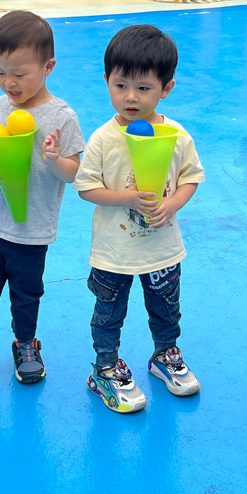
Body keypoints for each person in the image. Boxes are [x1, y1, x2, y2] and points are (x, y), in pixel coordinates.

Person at [0, 11, 84, 389]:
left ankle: (26, 344)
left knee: (27, 295)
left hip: (32, 230)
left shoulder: (61, 116)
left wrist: (55, 160)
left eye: (20, 74)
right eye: (0, 71)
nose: (9, 82)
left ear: (48, 67)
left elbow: (73, 172)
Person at [74, 24, 205, 414]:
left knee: (166, 308)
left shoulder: (176, 135)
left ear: (167, 88)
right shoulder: (103, 138)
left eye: (144, 87)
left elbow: (191, 177)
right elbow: (86, 188)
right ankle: (105, 368)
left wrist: (173, 204)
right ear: (107, 81)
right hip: (113, 251)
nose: (130, 96)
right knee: (108, 312)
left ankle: (165, 355)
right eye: (121, 85)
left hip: (162, 249)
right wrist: (127, 198)